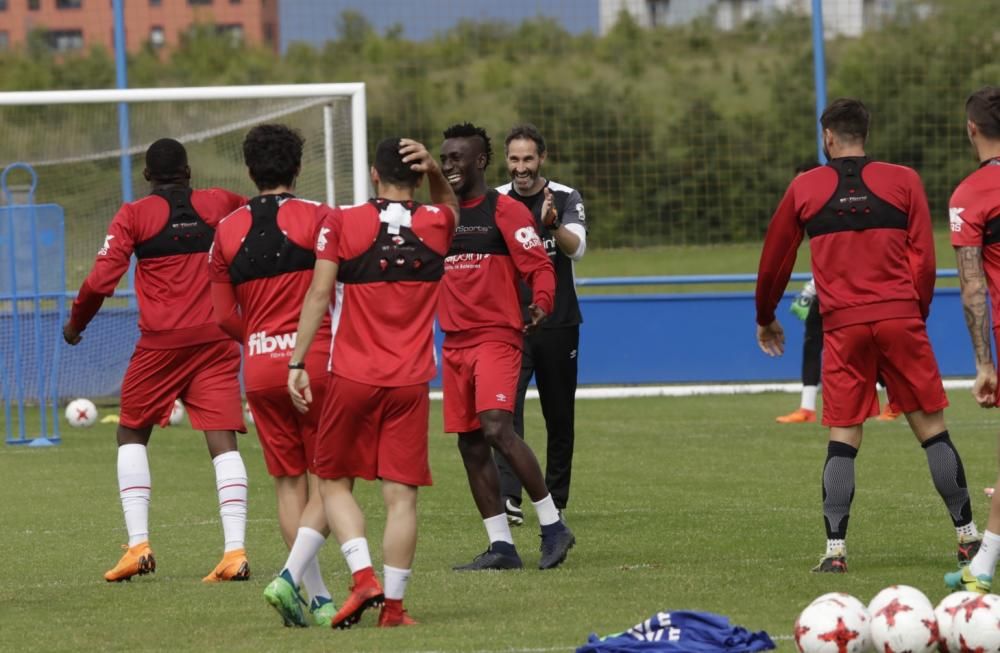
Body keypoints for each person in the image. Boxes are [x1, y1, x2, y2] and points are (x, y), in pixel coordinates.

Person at [755, 98, 980, 573]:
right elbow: (923, 260)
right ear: (865, 134)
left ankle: (835, 552)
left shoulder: (805, 188)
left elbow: (775, 258)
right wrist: (911, 316)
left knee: (843, 437)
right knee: (932, 430)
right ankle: (967, 538)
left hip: (843, 327)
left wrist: (766, 315)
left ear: (828, 138)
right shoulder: (904, 180)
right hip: (900, 319)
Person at [276, 136, 459, 629]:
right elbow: (449, 205)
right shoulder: (438, 224)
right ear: (418, 177)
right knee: (402, 498)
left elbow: (318, 294)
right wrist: (438, 173)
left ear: (373, 175)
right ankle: (394, 609)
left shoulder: (341, 221)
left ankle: (362, 579)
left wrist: (296, 361)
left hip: (352, 377)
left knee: (333, 482)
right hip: (410, 383)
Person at [63, 138, 251, 583]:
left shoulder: (134, 214)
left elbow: (101, 279)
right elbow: (260, 223)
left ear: (147, 177)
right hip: (217, 338)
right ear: (188, 173)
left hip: (162, 343)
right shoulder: (221, 202)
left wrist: (76, 324)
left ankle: (139, 545)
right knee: (222, 438)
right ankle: (235, 552)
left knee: (131, 429)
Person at [208, 124, 335, 625]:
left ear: (249, 170)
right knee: (332, 480)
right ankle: (291, 580)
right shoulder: (320, 217)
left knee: (287, 483)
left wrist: (261, 343)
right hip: (316, 363)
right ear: (298, 167)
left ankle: (318, 597)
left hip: (258, 368)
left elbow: (222, 316)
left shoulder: (226, 230)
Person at [438, 122, 575, 571]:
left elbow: (540, 266)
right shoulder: (439, 216)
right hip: (454, 344)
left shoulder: (505, 210)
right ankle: (501, 547)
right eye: (444, 158)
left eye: (457, 158)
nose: (448, 165)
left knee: (498, 427)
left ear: (479, 161)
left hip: (496, 336)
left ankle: (553, 525)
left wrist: (541, 303)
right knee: (471, 445)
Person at [494, 124, 587, 524]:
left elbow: (578, 248)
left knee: (559, 414)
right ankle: (509, 499)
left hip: (558, 322)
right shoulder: (494, 201)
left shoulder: (565, 197)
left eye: (528, 159)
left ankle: (556, 500)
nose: (521, 167)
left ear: (542, 158)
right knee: (504, 411)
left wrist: (553, 226)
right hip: (509, 324)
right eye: (514, 159)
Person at [945, 86, 1000, 594]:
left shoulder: (970, 196)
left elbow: (972, 285)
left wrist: (984, 364)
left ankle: (982, 567)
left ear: (972, 129)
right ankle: (982, 561)